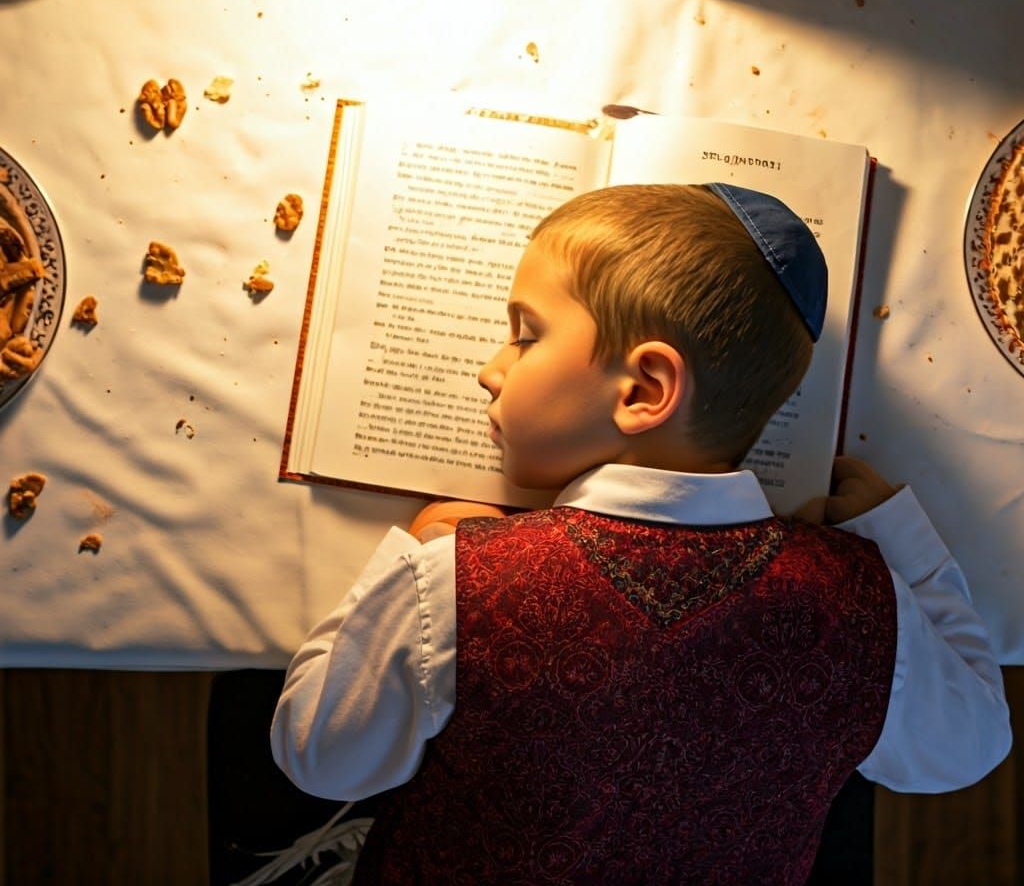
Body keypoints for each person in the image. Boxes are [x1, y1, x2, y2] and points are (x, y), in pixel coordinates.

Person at [271, 183, 1011, 885]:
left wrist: (418, 556)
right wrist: (897, 539)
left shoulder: (457, 582)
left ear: (644, 392)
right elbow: (969, 748)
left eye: (525, 337)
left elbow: (320, 756)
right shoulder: (859, 601)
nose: (489, 370)